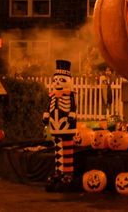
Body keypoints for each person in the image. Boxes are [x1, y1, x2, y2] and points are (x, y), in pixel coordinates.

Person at [42, 59, 77, 191]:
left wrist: (72, 114)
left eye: (61, 80)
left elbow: (72, 107)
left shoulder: (70, 95)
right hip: (55, 127)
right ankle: (59, 171)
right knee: (57, 148)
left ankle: (67, 173)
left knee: (67, 149)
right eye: (55, 80)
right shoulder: (52, 96)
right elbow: (48, 107)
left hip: (67, 127)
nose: (57, 83)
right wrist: (46, 114)